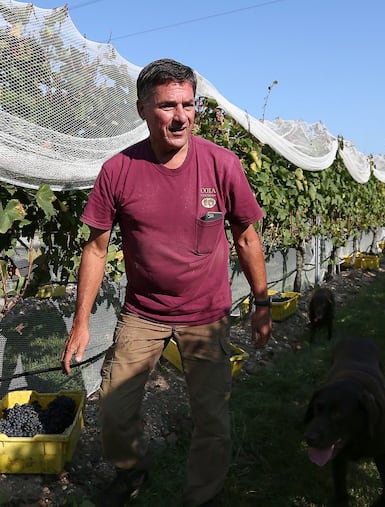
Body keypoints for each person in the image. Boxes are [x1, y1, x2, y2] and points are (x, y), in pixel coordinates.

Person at [60, 58, 273, 507]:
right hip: (144, 313)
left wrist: (262, 303)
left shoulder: (221, 164)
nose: (180, 117)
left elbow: (246, 236)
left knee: (211, 418)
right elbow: (96, 249)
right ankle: (131, 469)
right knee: (115, 408)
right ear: (142, 110)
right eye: (167, 106)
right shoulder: (118, 170)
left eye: (187, 104)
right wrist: (81, 322)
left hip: (206, 315)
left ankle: (203, 496)